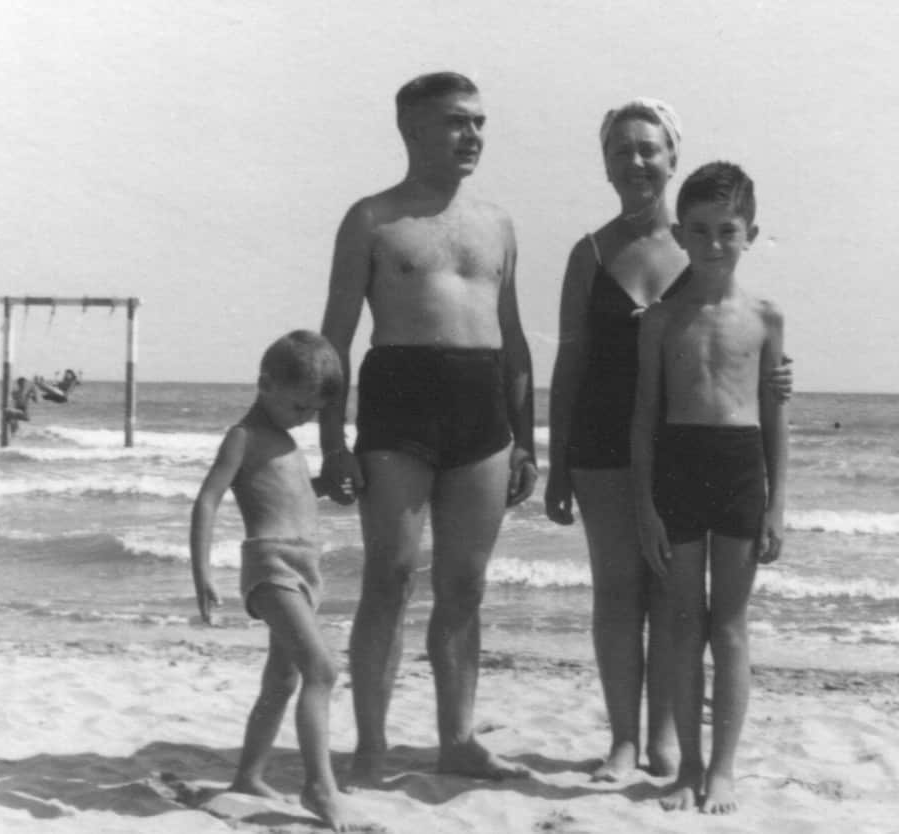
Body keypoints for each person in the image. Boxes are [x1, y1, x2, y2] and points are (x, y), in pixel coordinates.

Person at [546, 98, 791, 782]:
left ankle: (663, 742)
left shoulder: (699, 246)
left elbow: (741, 338)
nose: (636, 161)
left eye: (648, 148)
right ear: (605, 163)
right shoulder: (588, 253)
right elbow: (570, 362)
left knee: (672, 597)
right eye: (621, 149)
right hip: (602, 440)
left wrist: (780, 378)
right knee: (617, 590)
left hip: (685, 444)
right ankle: (623, 739)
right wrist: (557, 461)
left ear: (672, 156)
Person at [317, 71, 537, 784]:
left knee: (465, 586)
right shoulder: (373, 219)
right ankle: (372, 745)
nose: (471, 135)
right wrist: (330, 444)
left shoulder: (498, 222)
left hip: (483, 410)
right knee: (390, 575)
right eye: (454, 122)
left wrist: (527, 440)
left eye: (478, 122)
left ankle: (458, 740)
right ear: (411, 131)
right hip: (399, 405)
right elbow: (336, 337)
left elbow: (514, 337)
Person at [631, 162, 787, 815]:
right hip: (679, 466)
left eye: (728, 230)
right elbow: (643, 416)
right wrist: (642, 504)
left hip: (740, 466)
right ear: (679, 233)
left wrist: (778, 503)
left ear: (752, 232)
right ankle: (687, 768)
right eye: (700, 231)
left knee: (728, 625)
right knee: (682, 623)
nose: (715, 244)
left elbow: (776, 416)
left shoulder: (766, 317)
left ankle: (722, 770)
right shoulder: (660, 320)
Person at [190, 330, 358, 832]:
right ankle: (319, 787)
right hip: (271, 568)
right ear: (264, 384)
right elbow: (207, 499)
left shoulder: (283, 440)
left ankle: (248, 775)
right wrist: (201, 572)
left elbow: (288, 494)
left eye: (313, 412)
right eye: (299, 406)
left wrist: (327, 486)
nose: (305, 418)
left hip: (306, 570)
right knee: (322, 670)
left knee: (282, 678)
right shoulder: (242, 436)